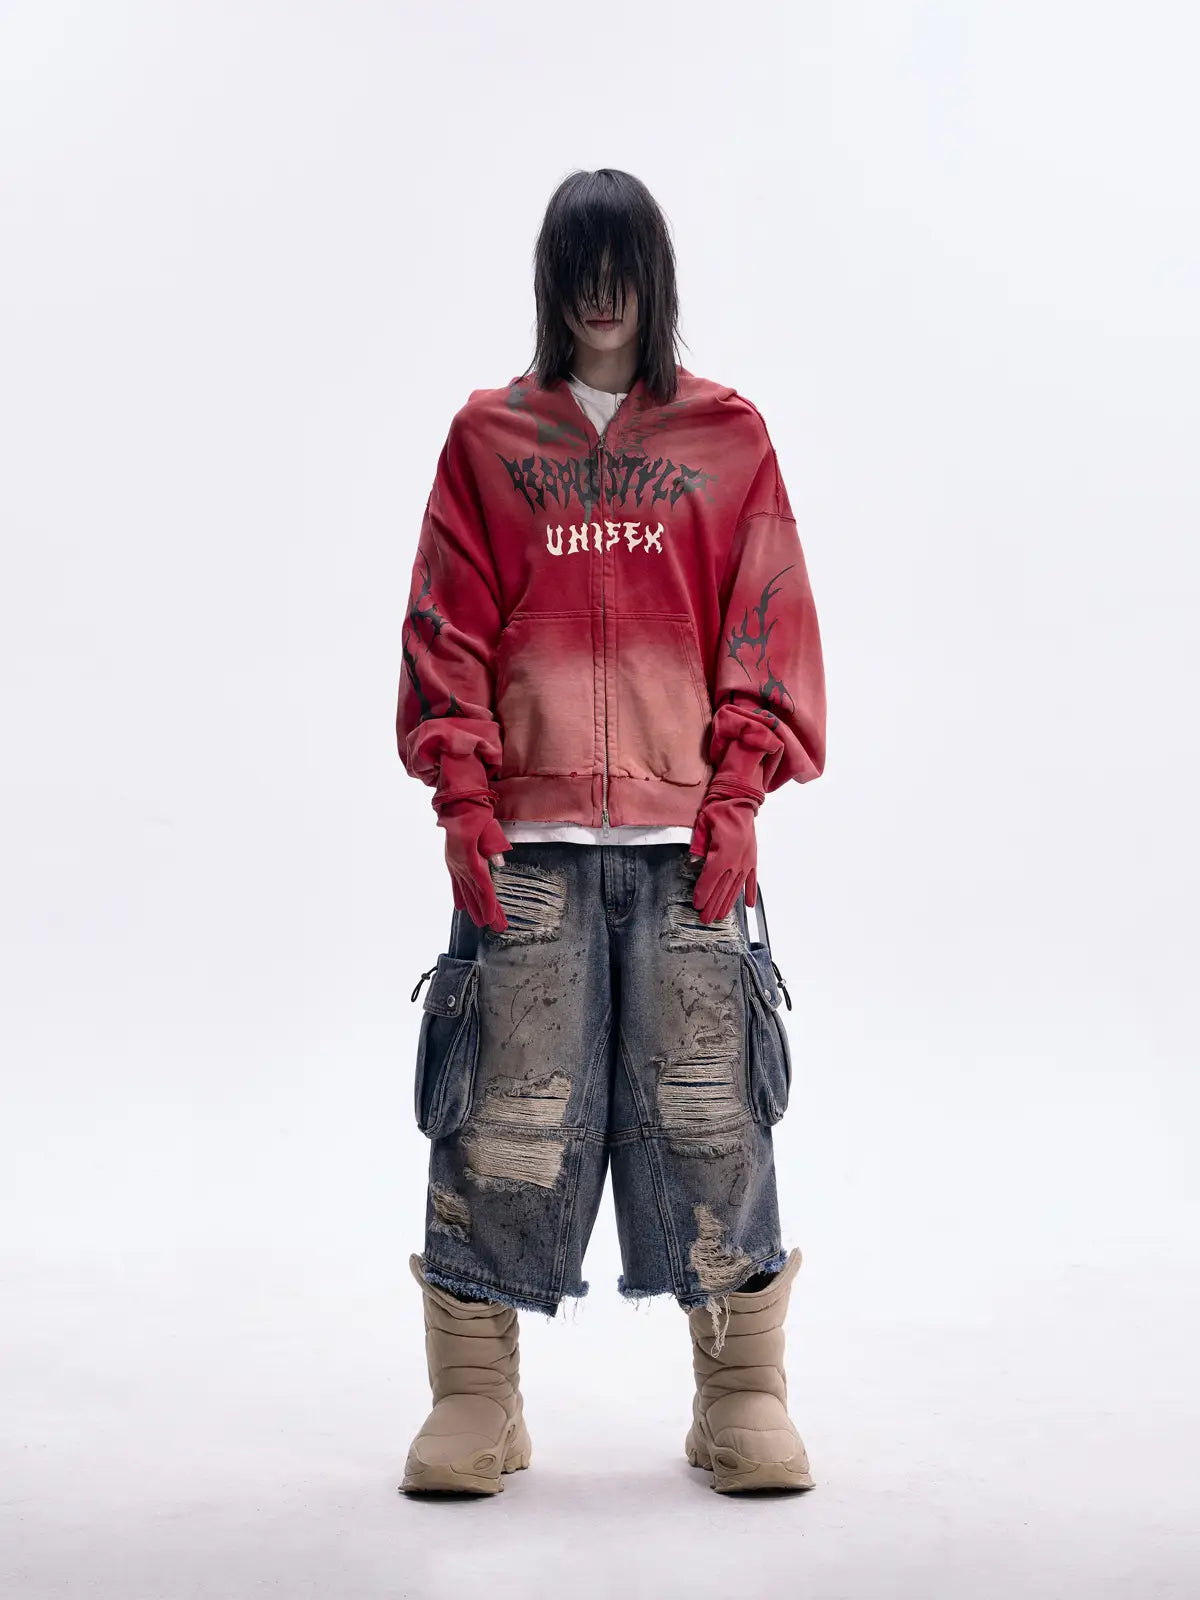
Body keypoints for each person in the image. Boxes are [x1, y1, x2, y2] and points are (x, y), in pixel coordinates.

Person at [394, 168, 826, 1497]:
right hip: (524, 847)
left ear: (655, 276)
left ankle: (741, 1395)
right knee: (501, 1115)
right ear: (549, 279)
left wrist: (737, 793)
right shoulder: (487, 440)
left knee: (712, 1111)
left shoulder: (727, 438)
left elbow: (765, 615)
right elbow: (445, 622)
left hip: (686, 848)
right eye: (578, 265)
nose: (601, 291)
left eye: (622, 262)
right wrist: (464, 797)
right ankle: (477, 1402)